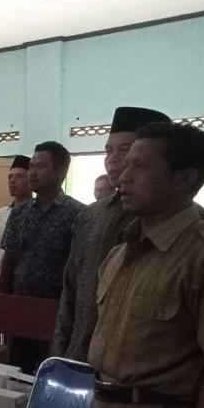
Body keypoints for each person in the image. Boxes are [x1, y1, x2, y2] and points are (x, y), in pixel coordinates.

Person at [87, 122, 204, 408]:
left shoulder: (203, 256)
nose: (123, 176)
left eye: (139, 166)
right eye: (125, 164)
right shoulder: (119, 253)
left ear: (184, 178)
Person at [53, 106, 172, 362]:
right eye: (108, 151)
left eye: (125, 150)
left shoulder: (180, 226)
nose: (112, 160)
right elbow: (70, 291)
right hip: (80, 358)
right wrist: (61, 354)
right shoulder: (90, 216)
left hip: (137, 371)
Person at [0, 141, 85, 372]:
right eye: (31, 166)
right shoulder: (19, 213)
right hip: (21, 309)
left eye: (40, 167)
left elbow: (79, 270)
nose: (32, 173)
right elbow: (9, 262)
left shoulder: (78, 214)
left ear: (61, 171)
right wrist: (5, 305)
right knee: (16, 375)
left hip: (58, 315)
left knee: (53, 373)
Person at [0, 156, 31, 276]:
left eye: (19, 176)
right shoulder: (0, 214)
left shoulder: (36, 214)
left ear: (30, 180)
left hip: (21, 279)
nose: (12, 181)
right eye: (10, 177)